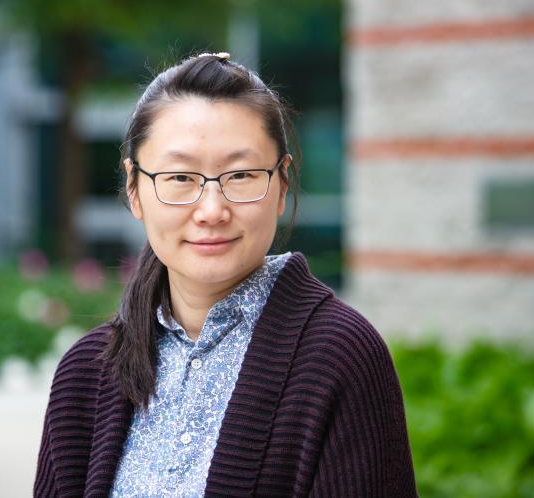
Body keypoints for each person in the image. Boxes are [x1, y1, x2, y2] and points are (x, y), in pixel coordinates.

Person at [34, 52, 417, 497]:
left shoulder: (340, 357)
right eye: (180, 178)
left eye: (241, 175)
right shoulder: (86, 373)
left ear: (282, 184)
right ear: (135, 189)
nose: (212, 211)